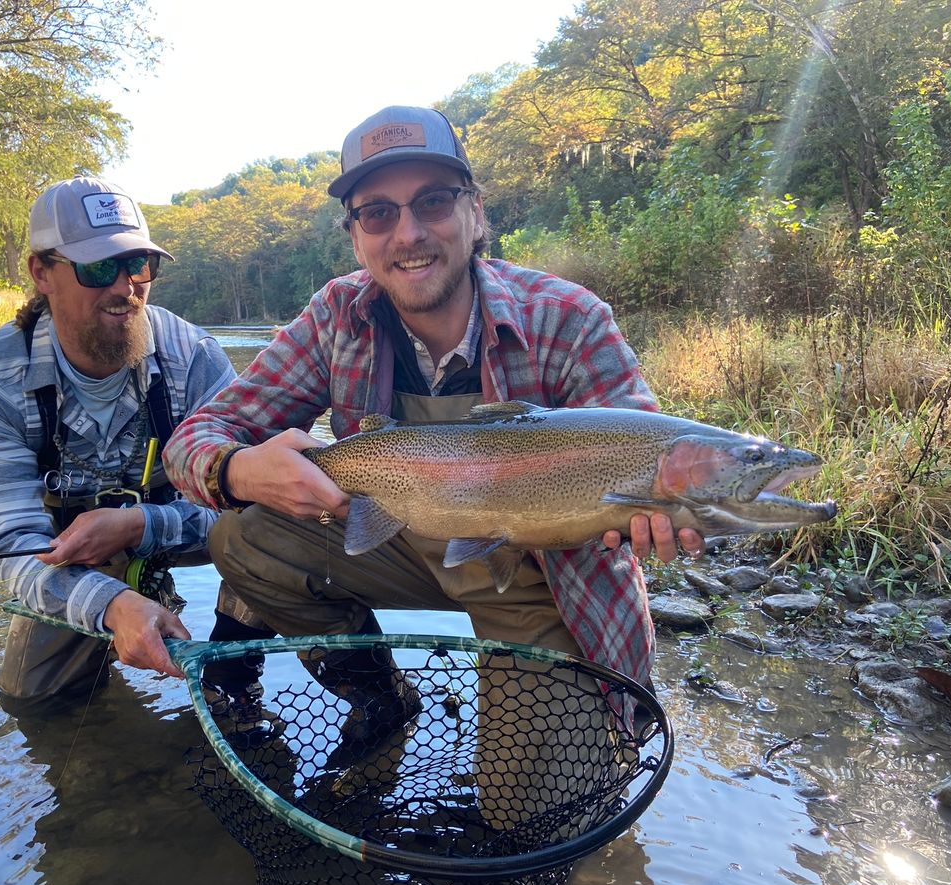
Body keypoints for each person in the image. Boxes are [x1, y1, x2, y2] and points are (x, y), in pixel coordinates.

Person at [163, 106, 703, 747]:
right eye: (378, 213)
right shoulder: (337, 313)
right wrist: (238, 469)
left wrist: (658, 516)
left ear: (476, 213)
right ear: (357, 236)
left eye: (434, 202)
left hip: (543, 576)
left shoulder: (569, 319)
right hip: (401, 536)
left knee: (535, 820)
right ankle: (381, 695)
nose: (408, 233)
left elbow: (642, 443)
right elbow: (193, 439)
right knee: (244, 538)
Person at [0, 175, 236, 710]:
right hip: (68, 558)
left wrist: (143, 524)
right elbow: (11, 543)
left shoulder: (195, 360)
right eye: (99, 267)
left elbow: (245, 506)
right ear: (42, 272)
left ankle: (236, 680)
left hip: (188, 532)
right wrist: (113, 605)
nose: (124, 287)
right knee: (34, 701)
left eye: (138, 265)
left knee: (267, 536)